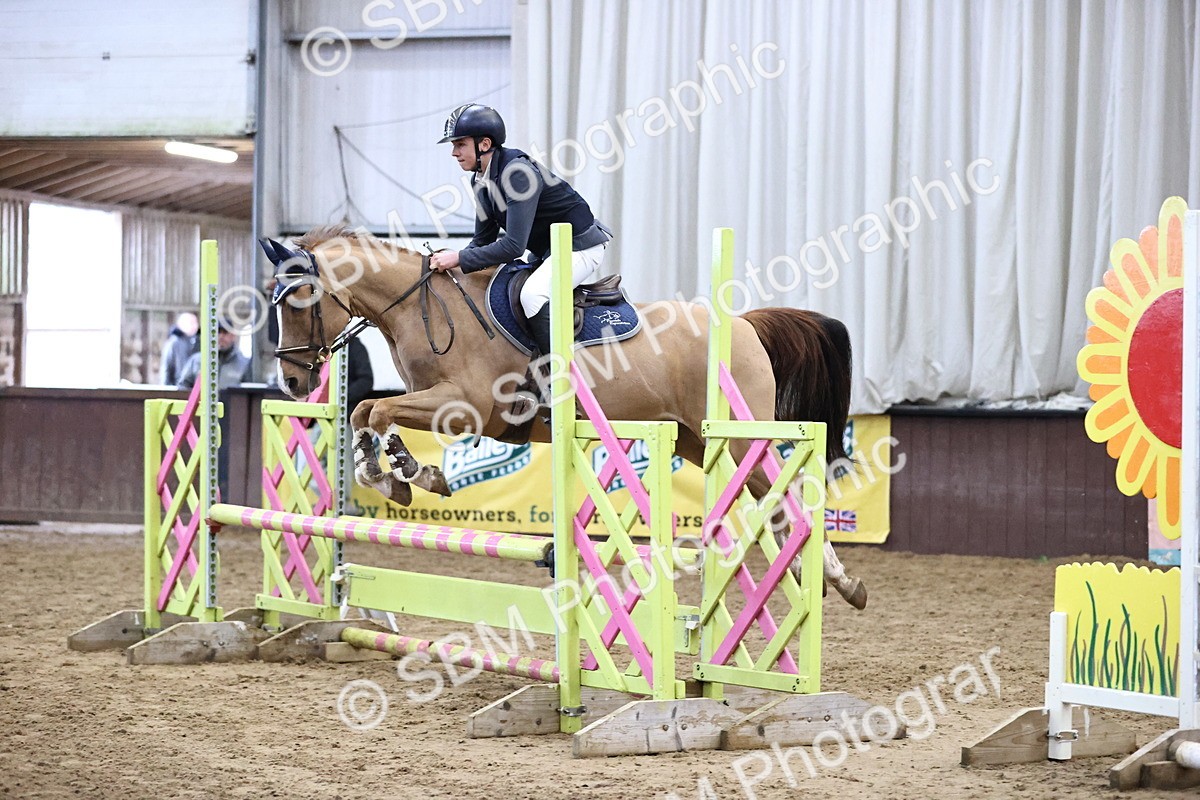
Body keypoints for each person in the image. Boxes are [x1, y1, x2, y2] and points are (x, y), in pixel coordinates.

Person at [428, 103, 613, 360]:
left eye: (460, 144)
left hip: (579, 246)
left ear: (483, 144)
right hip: (547, 251)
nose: (454, 152)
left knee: (533, 296)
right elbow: (483, 240)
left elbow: (513, 247)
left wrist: (459, 257)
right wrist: (450, 264)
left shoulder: (518, 174)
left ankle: (560, 378)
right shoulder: (481, 180)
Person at [159, 311, 199, 386]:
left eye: (195, 322)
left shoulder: (199, 341)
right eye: (191, 323)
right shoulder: (173, 343)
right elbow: (167, 367)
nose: (194, 326)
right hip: (177, 386)